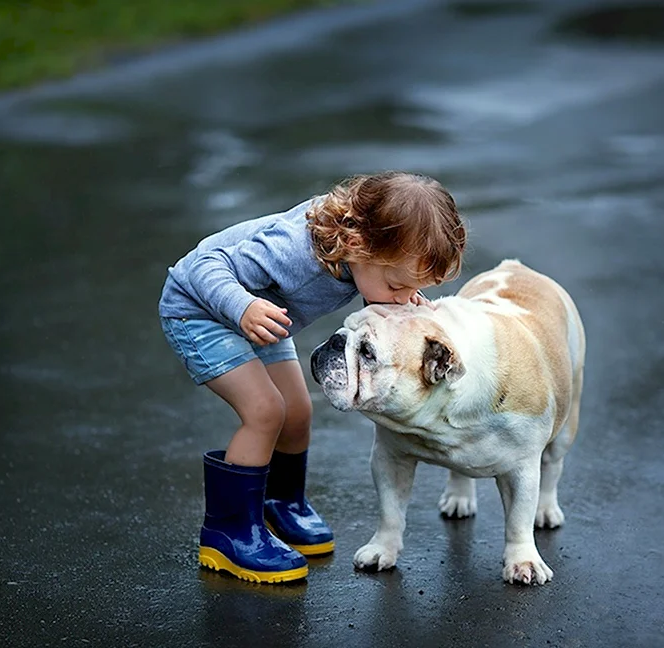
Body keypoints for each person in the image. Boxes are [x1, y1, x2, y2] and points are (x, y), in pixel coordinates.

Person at [158, 171, 467, 583]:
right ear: (358, 244)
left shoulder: (366, 254)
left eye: (413, 289)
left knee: (298, 411)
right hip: (201, 309)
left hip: (262, 318)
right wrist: (243, 306)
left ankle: (280, 503)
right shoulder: (294, 252)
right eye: (397, 286)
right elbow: (203, 266)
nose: (403, 299)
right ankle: (229, 533)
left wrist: (406, 298)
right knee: (265, 411)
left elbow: (388, 282)